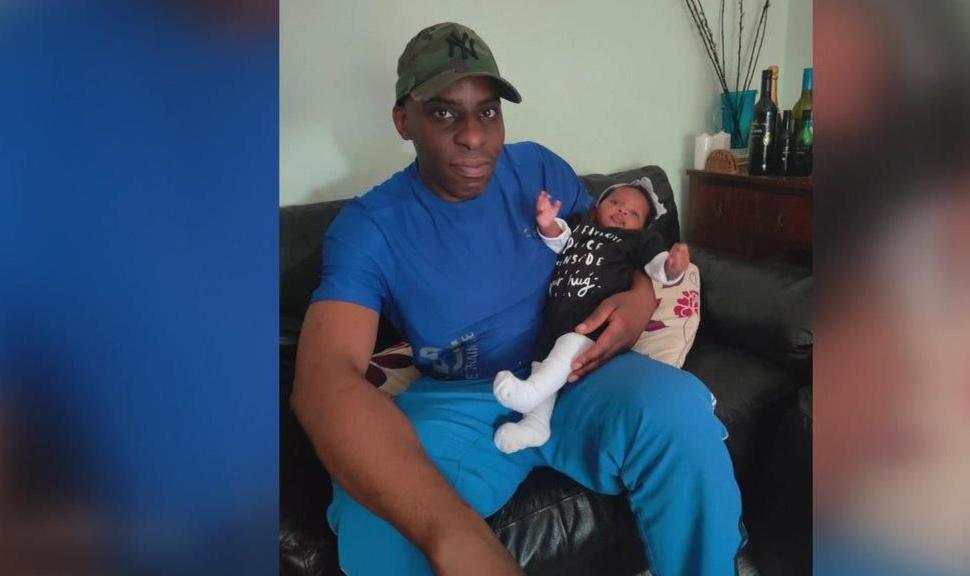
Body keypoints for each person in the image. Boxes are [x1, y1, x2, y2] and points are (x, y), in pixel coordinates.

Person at [291, 21, 743, 576]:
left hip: (577, 373)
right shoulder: (369, 227)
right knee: (376, 509)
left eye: (487, 112)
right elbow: (323, 380)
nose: (475, 136)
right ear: (403, 120)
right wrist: (454, 536)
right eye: (442, 112)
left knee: (679, 412)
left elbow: (613, 247)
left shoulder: (539, 169)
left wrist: (643, 295)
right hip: (461, 401)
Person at [493, 182, 692, 453]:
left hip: (594, 323)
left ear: (643, 226)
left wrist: (672, 267)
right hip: (557, 317)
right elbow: (557, 241)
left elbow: (657, 267)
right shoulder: (580, 229)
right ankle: (535, 424)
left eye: (633, 213)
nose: (623, 211)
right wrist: (546, 222)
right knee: (542, 359)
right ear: (598, 206)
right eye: (616, 203)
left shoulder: (637, 241)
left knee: (566, 349)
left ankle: (530, 394)